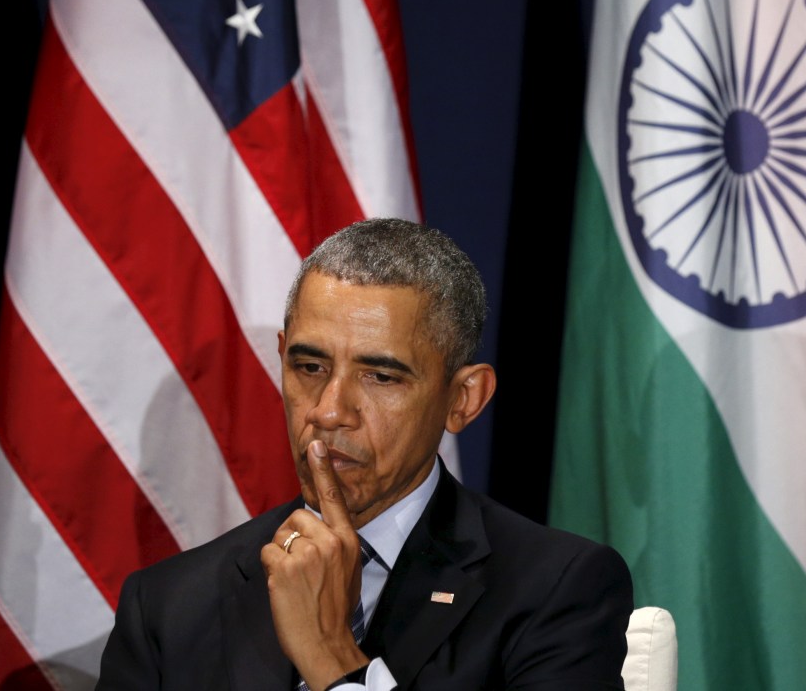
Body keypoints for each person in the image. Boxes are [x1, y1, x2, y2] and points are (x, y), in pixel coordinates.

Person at [97, 218, 633, 690]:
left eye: (381, 376)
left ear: (462, 400)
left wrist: (332, 661)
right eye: (309, 367)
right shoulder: (169, 605)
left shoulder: (555, 590)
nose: (329, 411)